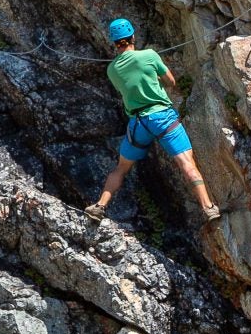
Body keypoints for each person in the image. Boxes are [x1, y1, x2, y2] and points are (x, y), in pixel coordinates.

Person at [90, 18, 222, 223]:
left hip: (138, 123)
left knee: (121, 168)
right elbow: (171, 81)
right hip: (162, 117)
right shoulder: (149, 55)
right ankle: (208, 207)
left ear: (114, 42)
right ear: (133, 36)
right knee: (187, 163)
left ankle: (100, 206)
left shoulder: (112, 70)